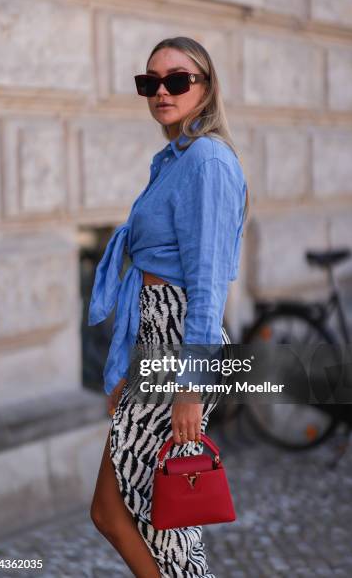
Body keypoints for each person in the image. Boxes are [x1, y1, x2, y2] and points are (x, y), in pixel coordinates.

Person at [89, 36, 248, 578]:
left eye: (177, 80)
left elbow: (206, 286)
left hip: (180, 343)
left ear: (205, 87)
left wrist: (190, 384)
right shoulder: (172, 159)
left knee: (165, 522)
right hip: (153, 341)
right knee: (116, 512)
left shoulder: (207, 161)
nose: (162, 91)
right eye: (149, 82)